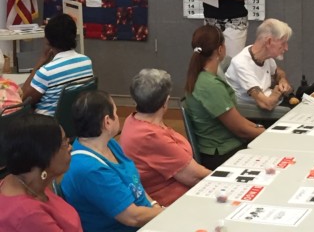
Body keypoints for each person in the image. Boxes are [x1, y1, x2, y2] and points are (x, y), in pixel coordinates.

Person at [61, 90, 163, 232]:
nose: (118, 116)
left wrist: (154, 205)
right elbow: (132, 217)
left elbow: (135, 185)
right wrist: (168, 213)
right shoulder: (90, 170)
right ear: (107, 121)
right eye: (115, 112)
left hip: (147, 220)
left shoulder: (109, 144)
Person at [120, 68, 211, 206]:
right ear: (166, 101)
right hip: (172, 205)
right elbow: (195, 176)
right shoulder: (150, 136)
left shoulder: (132, 120)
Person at [184, 25, 265, 170]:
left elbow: (239, 121)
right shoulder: (209, 85)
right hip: (222, 153)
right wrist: (268, 135)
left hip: (225, 147)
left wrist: (260, 129)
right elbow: (240, 129)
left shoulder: (204, 78)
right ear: (220, 50)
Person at [0, 114, 82, 231]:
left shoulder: (26, 180)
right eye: (64, 143)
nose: (70, 148)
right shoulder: (29, 215)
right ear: (43, 155)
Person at [22, 13, 94, 115]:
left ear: (48, 41)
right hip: (77, 123)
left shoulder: (46, 72)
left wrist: (41, 61)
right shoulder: (86, 61)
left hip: (48, 126)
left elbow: (22, 99)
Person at [225, 18, 293, 119]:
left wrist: (282, 80)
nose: (286, 48)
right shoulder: (242, 64)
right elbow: (267, 104)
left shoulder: (263, 55)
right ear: (269, 41)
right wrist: (277, 91)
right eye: (283, 43)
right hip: (256, 116)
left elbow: (278, 71)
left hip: (275, 106)